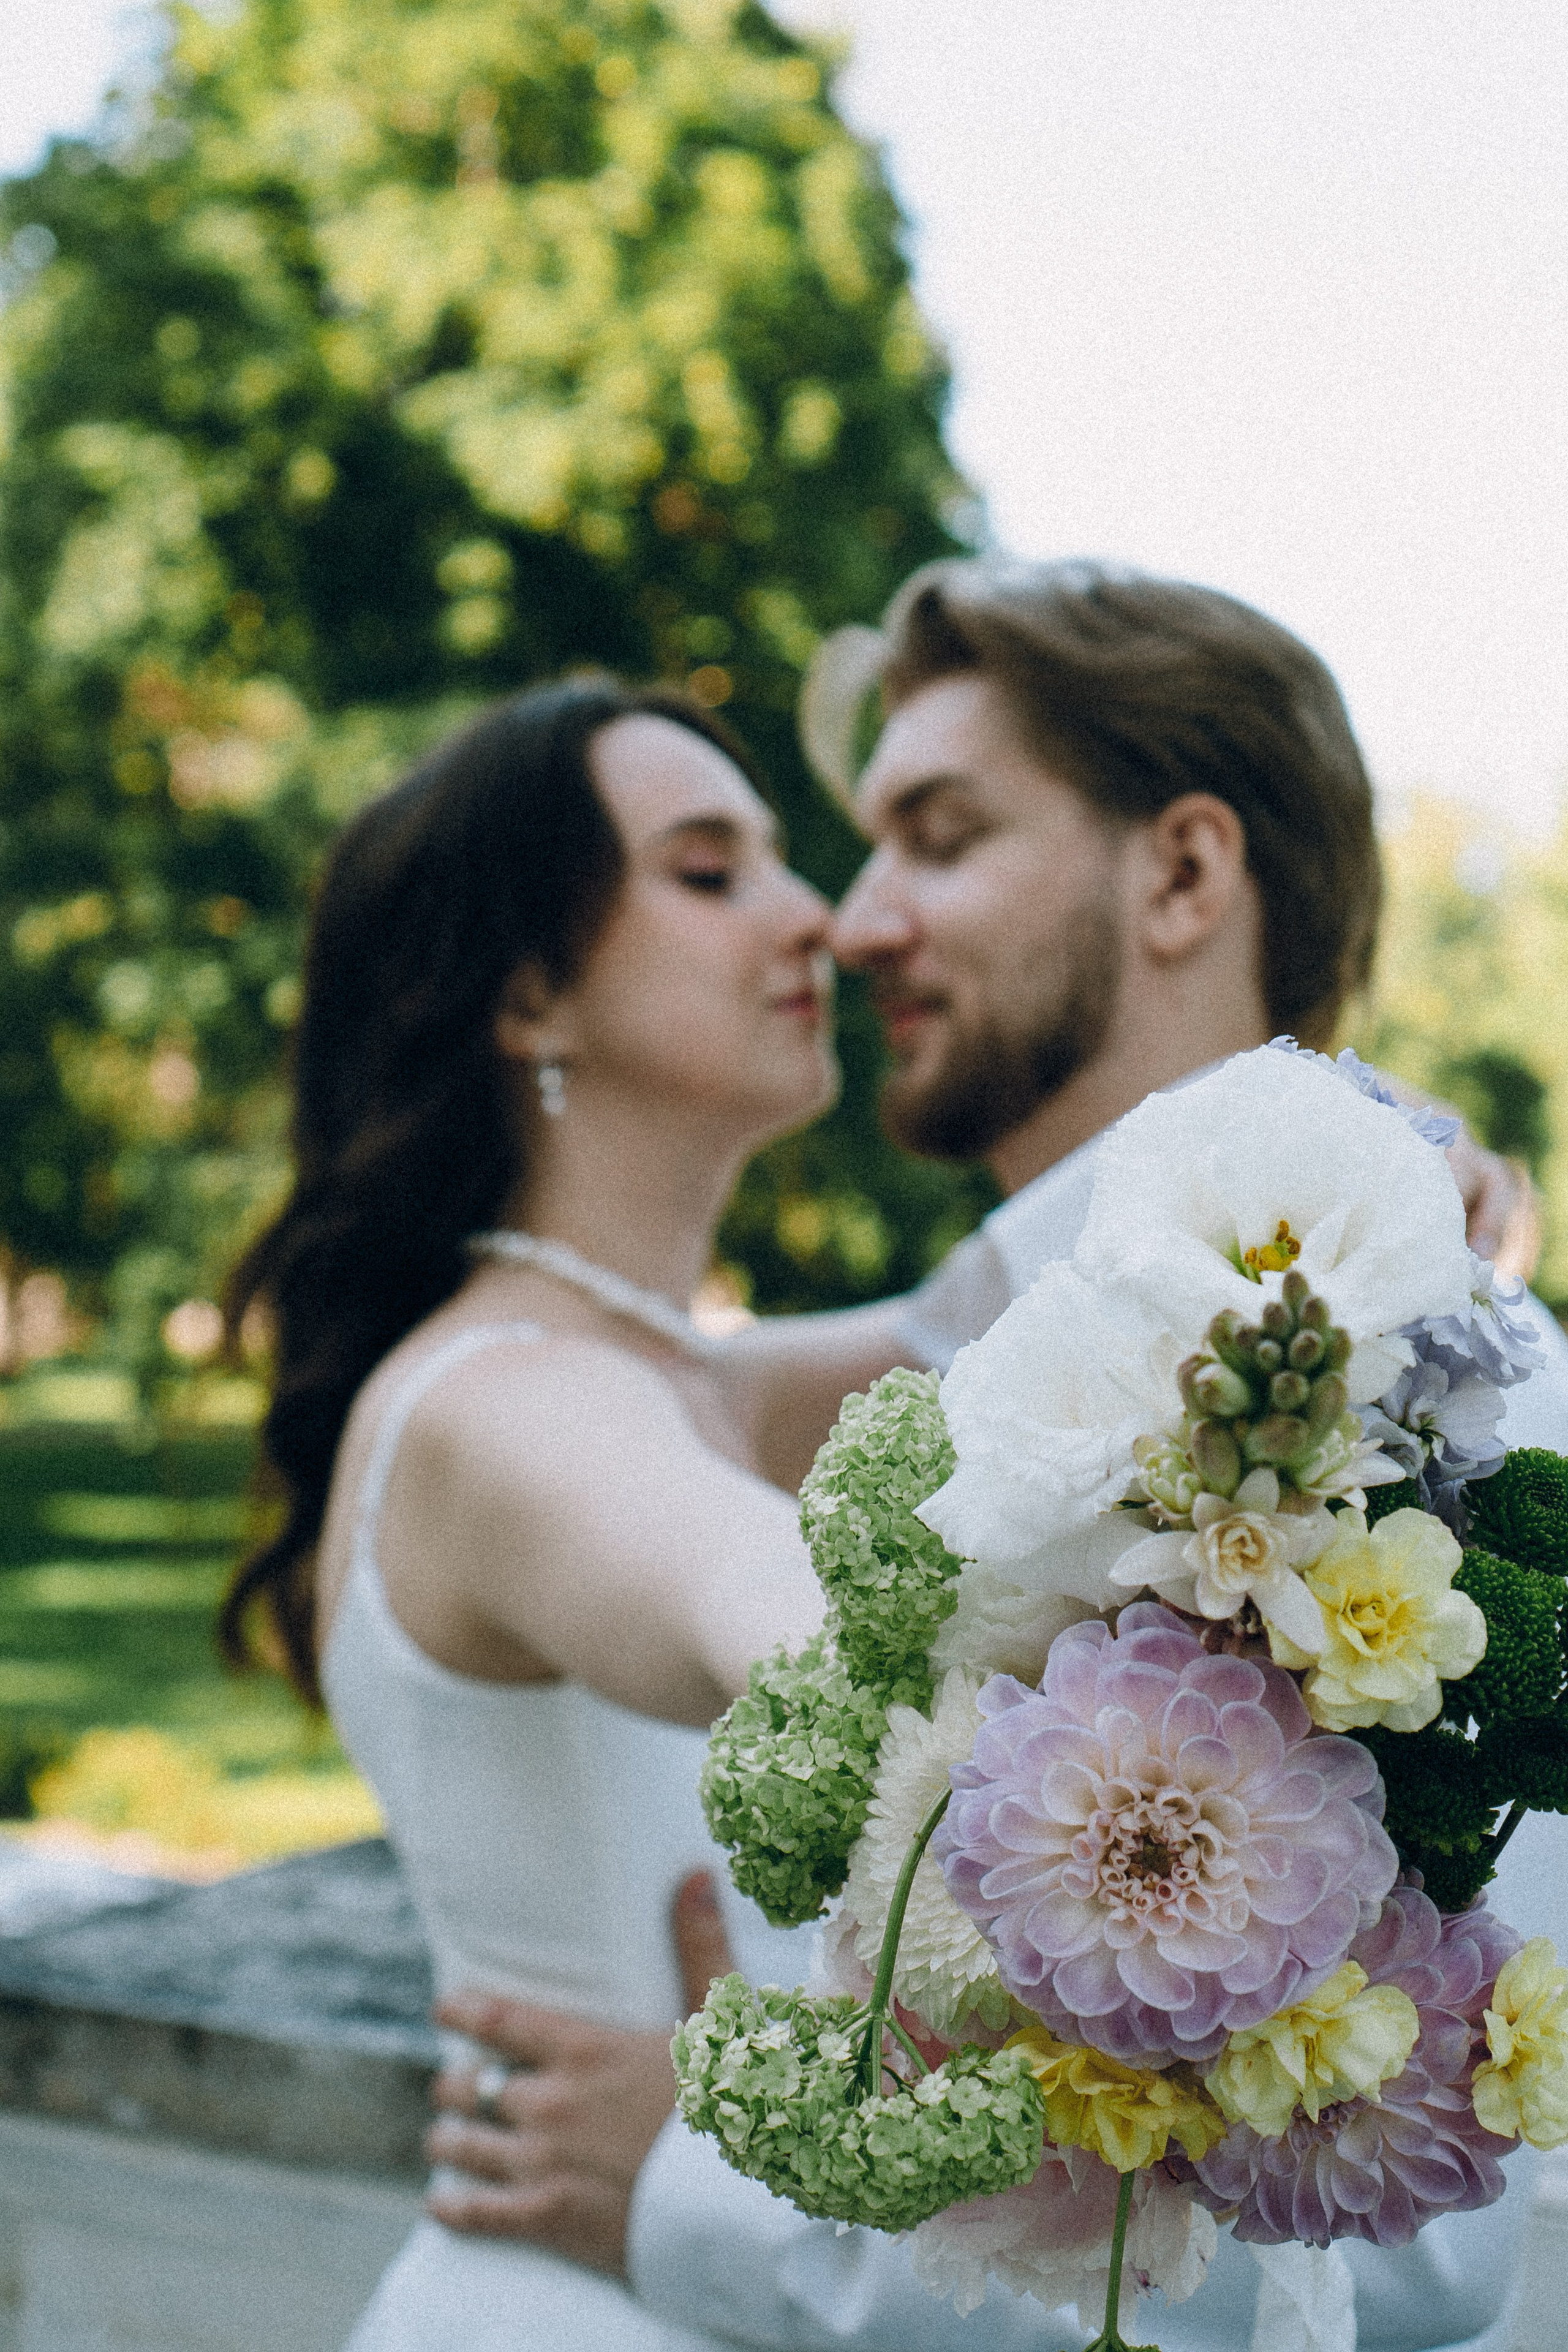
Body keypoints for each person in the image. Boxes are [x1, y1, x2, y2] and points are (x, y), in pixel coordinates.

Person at [424, 560, 1567, 2352]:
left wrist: (707, 2179)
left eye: (940, 840)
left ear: (1182, 875)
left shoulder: (1414, 1400)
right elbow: (622, 1383)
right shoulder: (986, 1347)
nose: (852, 922)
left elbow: (1403, 2234)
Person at [222, 676, 897, 2351]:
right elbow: (791, 1621)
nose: (814, 916)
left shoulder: (701, 1380)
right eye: (711, 870)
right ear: (530, 995)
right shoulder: (505, 1411)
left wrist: (1376, 1174)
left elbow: (1064, 1300)